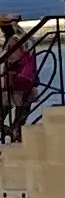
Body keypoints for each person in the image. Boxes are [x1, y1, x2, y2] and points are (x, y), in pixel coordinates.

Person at [0, 16, 36, 144]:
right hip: (24, 81)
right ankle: (16, 134)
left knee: (12, 111)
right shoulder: (24, 39)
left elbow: (14, 59)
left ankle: (13, 133)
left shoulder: (13, 41)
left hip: (13, 83)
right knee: (21, 113)